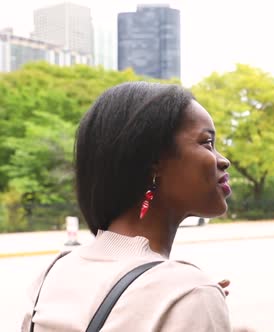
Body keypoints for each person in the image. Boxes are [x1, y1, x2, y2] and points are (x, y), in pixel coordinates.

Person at [22, 82, 234, 331]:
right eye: (207, 143)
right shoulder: (186, 293)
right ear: (153, 161)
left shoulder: (54, 273)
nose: (224, 160)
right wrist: (191, 301)